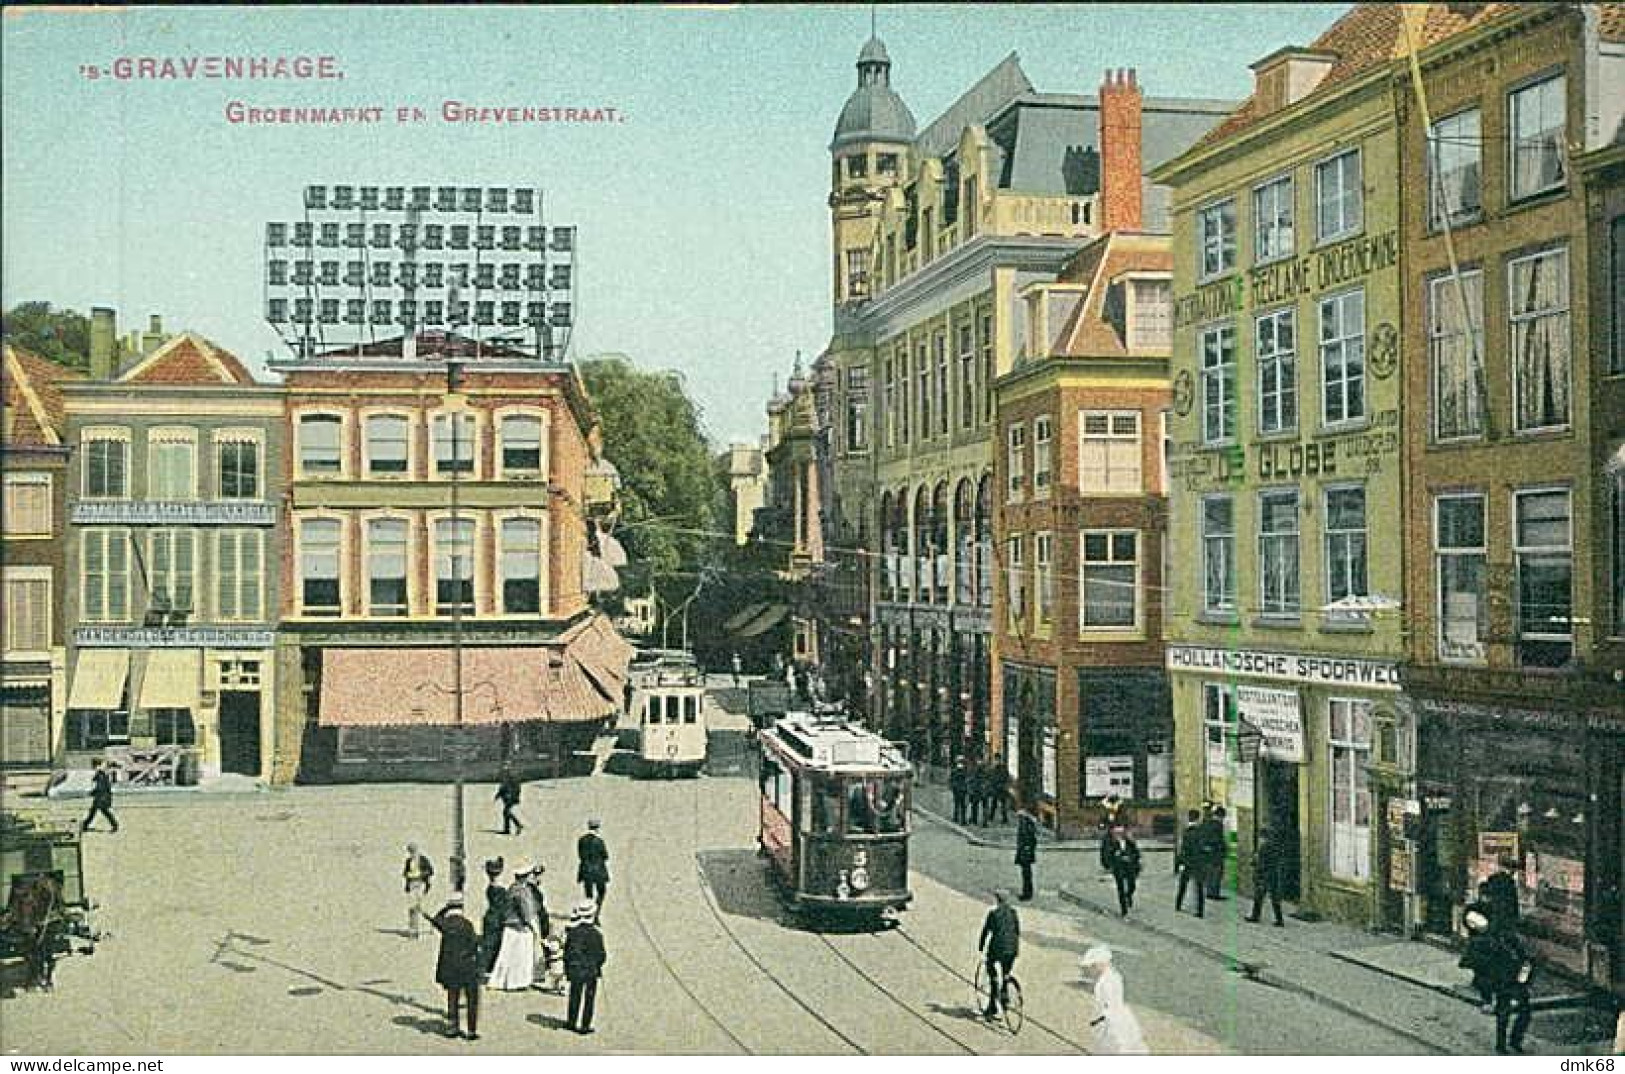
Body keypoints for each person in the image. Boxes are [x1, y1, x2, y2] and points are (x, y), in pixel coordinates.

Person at [429, 893, 482, 1041]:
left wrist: (445, 908)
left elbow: (435, 919)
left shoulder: (446, 924)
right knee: (472, 999)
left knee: (452, 997)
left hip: (450, 967)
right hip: (467, 966)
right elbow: (473, 944)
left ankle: (453, 1027)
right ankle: (471, 1030)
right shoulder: (467, 924)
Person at [1080, 944, 1148, 1054]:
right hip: (1116, 1019)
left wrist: (1099, 1023)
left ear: (1101, 964)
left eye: (1093, 966)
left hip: (1111, 1023)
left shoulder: (1106, 982)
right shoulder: (1113, 976)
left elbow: (1108, 1008)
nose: (1090, 970)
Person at [487, 860, 542, 990]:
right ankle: (519, 981)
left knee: (507, 956)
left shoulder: (512, 888)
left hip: (509, 925)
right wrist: (534, 927)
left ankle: (504, 981)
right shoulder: (523, 891)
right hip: (520, 927)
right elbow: (527, 912)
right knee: (521, 956)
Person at [563, 898, 607, 1034]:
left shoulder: (573, 932)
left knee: (574, 995)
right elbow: (601, 954)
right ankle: (585, 1025)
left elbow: (567, 951)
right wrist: (598, 964)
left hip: (576, 969)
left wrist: (568, 967)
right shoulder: (596, 934)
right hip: (590, 970)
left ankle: (571, 1021)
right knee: (589, 997)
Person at [978, 890, 1020, 1020]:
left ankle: (992, 1006)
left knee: (991, 968)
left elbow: (986, 931)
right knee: (1006, 971)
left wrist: (981, 946)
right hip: (1012, 949)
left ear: (997, 900)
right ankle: (1005, 991)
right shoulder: (1013, 913)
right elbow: (1017, 931)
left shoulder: (993, 914)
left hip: (998, 949)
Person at [1458, 909, 1500, 1010]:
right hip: (1480, 951)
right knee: (1484, 977)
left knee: (1485, 977)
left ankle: (1488, 1002)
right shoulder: (1477, 911)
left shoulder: (1487, 914)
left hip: (1484, 952)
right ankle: (1487, 1001)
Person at [1245, 827, 1287, 927]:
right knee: (1274, 898)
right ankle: (1279, 919)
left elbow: (1261, 863)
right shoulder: (1275, 846)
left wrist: (1254, 863)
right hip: (1273, 875)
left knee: (1258, 897)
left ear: (1263, 837)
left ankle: (1255, 916)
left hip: (1264, 876)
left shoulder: (1264, 847)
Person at [1101, 825, 1142, 916]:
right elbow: (1107, 854)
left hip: (1130, 866)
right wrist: (1113, 861)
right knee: (1121, 888)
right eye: (1117, 833)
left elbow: (1137, 853)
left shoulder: (1129, 842)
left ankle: (1129, 896)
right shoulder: (1110, 842)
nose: (1119, 834)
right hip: (1118, 867)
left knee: (1132, 885)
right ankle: (1123, 909)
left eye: (1121, 832)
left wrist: (1130, 858)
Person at [479, 858, 510, 975]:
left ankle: (487, 968)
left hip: (491, 917)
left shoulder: (491, 887)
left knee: (489, 944)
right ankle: (486, 968)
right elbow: (502, 906)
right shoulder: (499, 889)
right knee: (493, 944)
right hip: (497, 919)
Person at [1175, 808, 1207, 917]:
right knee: (1199, 887)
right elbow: (1203, 848)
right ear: (1198, 818)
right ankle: (1200, 911)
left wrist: (1179, 863)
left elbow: (1183, 849)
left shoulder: (1187, 832)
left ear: (1188, 818)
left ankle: (1178, 904)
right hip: (1198, 863)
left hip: (1188, 863)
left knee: (1183, 885)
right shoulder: (1201, 832)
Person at [1478, 856, 1520, 936]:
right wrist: (1515, 917)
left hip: (1493, 913)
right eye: (1514, 869)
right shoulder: (1510, 882)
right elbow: (1513, 901)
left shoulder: (1493, 878)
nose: (1514, 872)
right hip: (1505, 915)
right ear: (1511, 869)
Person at [577, 818, 610, 916]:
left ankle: (589, 911)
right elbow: (605, 856)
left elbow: (580, 855)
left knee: (588, 895)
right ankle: (596, 912)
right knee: (602, 892)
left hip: (586, 871)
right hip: (598, 871)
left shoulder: (581, 840)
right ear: (597, 828)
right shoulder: (599, 841)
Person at [402, 843, 435, 939]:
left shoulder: (423, 860)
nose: (412, 853)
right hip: (412, 885)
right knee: (412, 908)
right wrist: (408, 878)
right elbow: (405, 873)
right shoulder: (408, 861)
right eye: (410, 852)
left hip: (421, 884)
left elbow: (430, 871)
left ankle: (431, 927)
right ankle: (414, 931)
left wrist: (420, 874)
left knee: (422, 908)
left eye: (413, 851)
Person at [81, 759, 119, 833]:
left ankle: (114, 825)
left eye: (94, 766)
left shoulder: (101, 773)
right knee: (93, 811)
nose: (94, 768)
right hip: (101, 796)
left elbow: (101, 786)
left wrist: (92, 792)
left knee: (104, 811)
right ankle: (85, 825)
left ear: (97, 765)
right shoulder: (101, 773)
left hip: (102, 796)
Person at [1201, 805, 1228, 900]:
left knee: (1210, 873)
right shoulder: (1218, 825)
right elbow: (1218, 839)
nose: (1223, 819)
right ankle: (1214, 894)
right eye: (1223, 817)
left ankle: (1209, 892)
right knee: (1217, 874)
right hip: (1216, 853)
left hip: (1208, 853)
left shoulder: (1207, 823)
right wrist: (1223, 848)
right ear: (1221, 815)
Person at [1014, 809, 1039, 901]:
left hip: (1025, 853)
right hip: (1025, 852)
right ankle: (1027, 892)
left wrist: (1026, 849)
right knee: (1026, 874)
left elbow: (1027, 840)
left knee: (1026, 874)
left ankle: (1027, 893)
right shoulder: (1028, 825)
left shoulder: (1025, 826)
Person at [495, 768, 524, 836]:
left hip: (510, 798)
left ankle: (518, 825)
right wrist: (498, 795)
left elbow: (517, 789)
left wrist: (513, 796)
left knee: (506, 812)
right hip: (507, 798)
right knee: (506, 813)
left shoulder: (512, 779)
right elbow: (502, 788)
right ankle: (507, 829)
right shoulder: (506, 779)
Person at [988, 756, 1011, 825]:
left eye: (997, 760)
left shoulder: (1003, 768)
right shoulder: (993, 769)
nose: (996, 761)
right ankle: (991, 817)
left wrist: (1004, 785)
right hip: (995, 788)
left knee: (1003, 805)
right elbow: (991, 778)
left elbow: (1006, 777)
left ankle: (1004, 818)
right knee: (994, 804)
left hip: (1001, 788)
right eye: (996, 760)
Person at [949, 756, 970, 825]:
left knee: (962, 805)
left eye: (961, 762)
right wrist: (953, 787)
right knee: (958, 805)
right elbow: (951, 780)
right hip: (958, 789)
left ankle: (962, 820)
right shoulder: (955, 771)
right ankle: (957, 818)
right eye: (959, 762)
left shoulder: (965, 771)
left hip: (962, 790)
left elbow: (967, 780)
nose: (960, 764)